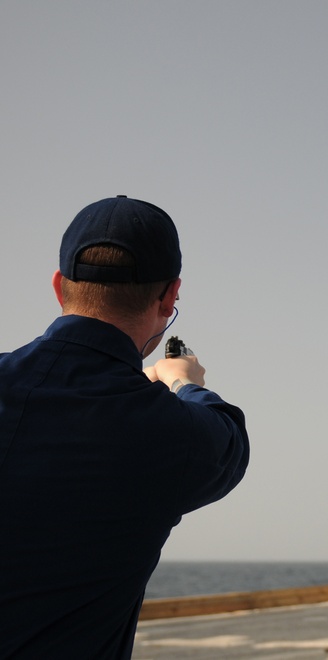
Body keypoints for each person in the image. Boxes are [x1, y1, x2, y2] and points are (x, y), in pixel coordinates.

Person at [0, 196, 250, 657]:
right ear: (170, 296)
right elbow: (228, 439)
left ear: (59, 286)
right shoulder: (175, 435)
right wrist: (183, 383)